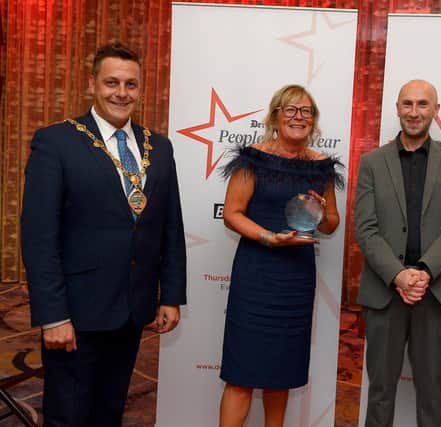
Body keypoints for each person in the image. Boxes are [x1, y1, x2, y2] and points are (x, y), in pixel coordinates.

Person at [21, 41, 187, 427]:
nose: (121, 93)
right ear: (93, 84)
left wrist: (171, 295)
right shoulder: (56, 142)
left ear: (141, 88)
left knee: (109, 411)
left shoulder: (158, 148)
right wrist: (52, 316)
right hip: (75, 313)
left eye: (131, 84)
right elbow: (39, 238)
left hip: (132, 309)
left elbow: (170, 226)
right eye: (112, 82)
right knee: (68, 414)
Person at [218, 84, 343, 427]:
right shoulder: (252, 159)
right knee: (241, 372)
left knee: (281, 371)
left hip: (296, 279)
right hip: (257, 273)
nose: (298, 117)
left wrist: (321, 211)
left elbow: (332, 224)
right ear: (275, 117)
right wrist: (269, 238)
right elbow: (232, 213)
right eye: (290, 110)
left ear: (314, 121)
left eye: (306, 111)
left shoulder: (322, 167)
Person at [355, 79, 441, 427]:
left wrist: (422, 271)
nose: (414, 112)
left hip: (435, 293)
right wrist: (399, 275)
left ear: (436, 110)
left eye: (423, 104)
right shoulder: (372, 162)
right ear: (397, 108)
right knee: (379, 392)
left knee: (431, 392)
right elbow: (366, 228)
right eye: (407, 104)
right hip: (384, 293)